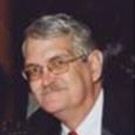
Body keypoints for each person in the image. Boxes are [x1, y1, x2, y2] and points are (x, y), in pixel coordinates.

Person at [21, 13, 133, 135]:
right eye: (34, 70)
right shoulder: (33, 129)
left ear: (93, 66)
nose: (46, 81)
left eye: (58, 63)